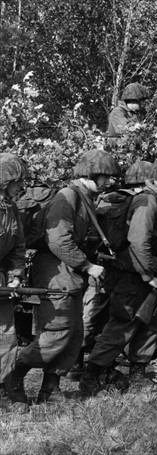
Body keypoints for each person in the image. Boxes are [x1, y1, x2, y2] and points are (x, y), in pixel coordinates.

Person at [6, 150, 120, 405]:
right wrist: (88, 266)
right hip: (55, 271)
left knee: (73, 334)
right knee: (57, 332)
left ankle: (50, 389)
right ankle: (12, 374)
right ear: (92, 174)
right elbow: (57, 240)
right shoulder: (66, 198)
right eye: (106, 177)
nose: (109, 182)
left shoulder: (85, 197)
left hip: (69, 272)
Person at [79, 154, 157, 397]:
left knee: (152, 324)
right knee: (122, 326)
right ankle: (91, 376)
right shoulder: (147, 201)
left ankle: (137, 374)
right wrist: (147, 275)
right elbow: (138, 241)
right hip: (135, 276)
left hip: (144, 273)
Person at [69, 160, 154, 380]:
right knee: (122, 321)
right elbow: (138, 240)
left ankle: (77, 362)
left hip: (104, 265)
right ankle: (96, 370)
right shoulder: (142, 201)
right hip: (128, 269)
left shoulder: (109, 199)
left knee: (93, 315)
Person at [0, 153, 29, 410]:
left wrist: (16, 276)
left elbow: (18, 246)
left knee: (6, 337)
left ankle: (2, 390)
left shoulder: (11, 208)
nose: (22, 186)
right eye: (18, 180)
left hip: (1, 280)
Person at [106, 82, 151, 149]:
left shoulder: (133, 114)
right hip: (117, 151)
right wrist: (136, 127)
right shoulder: (117, 112)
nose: (143, 105)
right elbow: (125, 128)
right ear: (135, 101)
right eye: (142, 102)